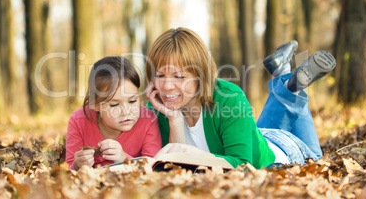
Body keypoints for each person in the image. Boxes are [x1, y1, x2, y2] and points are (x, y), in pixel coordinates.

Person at [145, 27, 336, 169]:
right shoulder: (158, 107)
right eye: (160, 75)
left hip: (283, 154)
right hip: (256, 136)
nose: (167, 86)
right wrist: (175, 119)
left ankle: (289, 82)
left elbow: (243, 166)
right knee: (259, 131)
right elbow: (175, 168)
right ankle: (285, 77)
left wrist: (194, 154)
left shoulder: (228, 98)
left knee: (317, 162)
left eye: (179, 77)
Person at [66, 56, 162, 170]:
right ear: (94, 104)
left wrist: (124, 159)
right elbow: (67, 170)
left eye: (132, 101)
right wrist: (76, 166)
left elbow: (154, 168)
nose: (126, 111)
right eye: (114, 105)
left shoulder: (148, 120)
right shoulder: (78, 120)